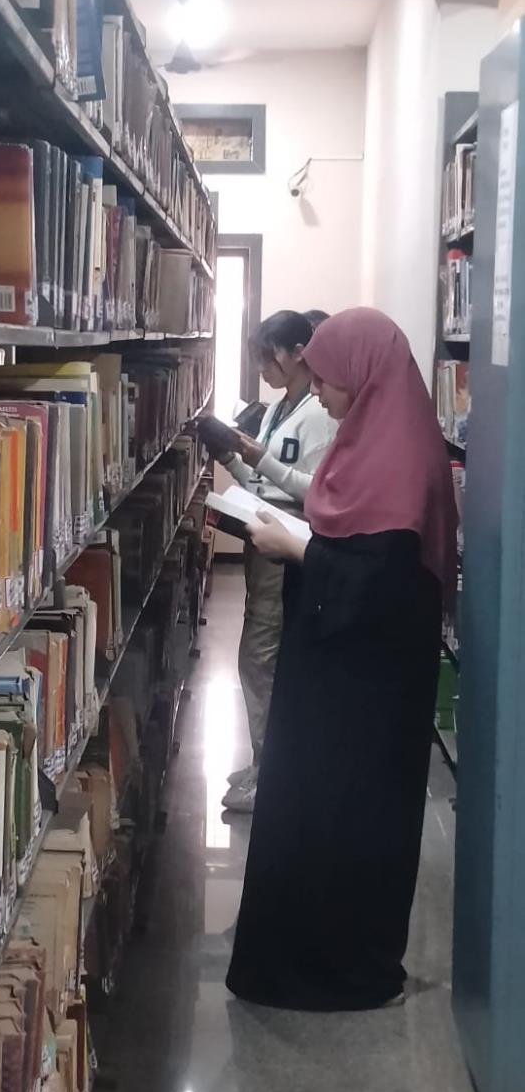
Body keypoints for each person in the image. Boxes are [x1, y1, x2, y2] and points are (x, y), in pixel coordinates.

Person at [226, 308, 458, 1011]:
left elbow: (384, 580)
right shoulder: (371, 443)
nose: (319, 393)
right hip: (337, 682)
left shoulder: (402, 458)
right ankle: (291, 959)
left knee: (347, 823)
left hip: (370, 696)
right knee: (308, 813)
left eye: (327, 382)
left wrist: (299, 548)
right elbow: (351, 538)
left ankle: (340, 970)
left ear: (364, 376)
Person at [220, 309, 336, 813]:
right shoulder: (276, 410)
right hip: (263, 538)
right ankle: (263, 762)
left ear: (298, 354)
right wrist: (229, 457)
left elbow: (319, 494)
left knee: (261, 659)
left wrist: (261, 460)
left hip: (288, 544)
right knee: (258, 654)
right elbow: (262, 483)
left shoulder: (320, 414)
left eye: (269, 359)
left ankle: (271, 773)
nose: (263, 369)